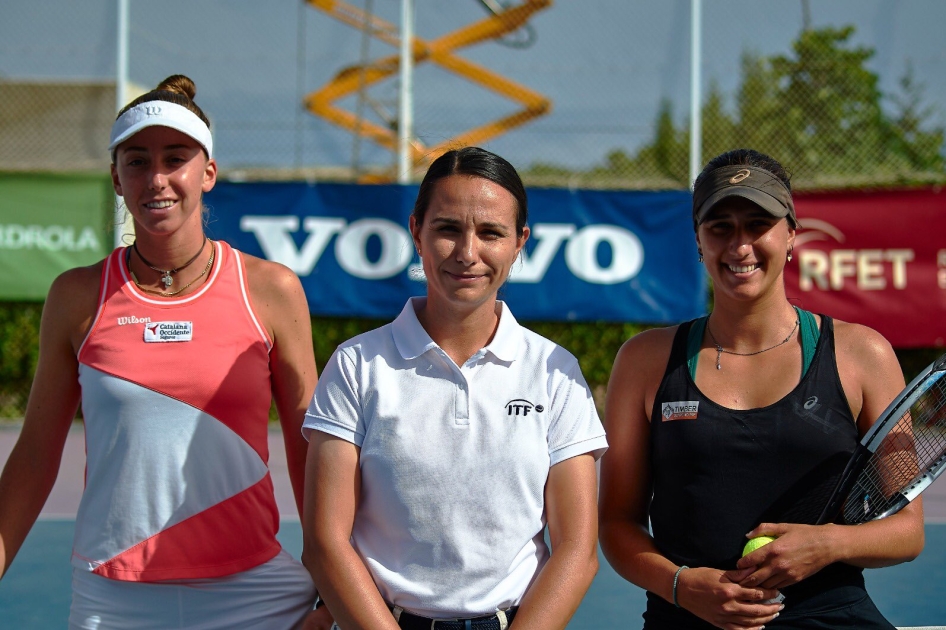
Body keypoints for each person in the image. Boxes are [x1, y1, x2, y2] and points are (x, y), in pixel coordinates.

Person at [0, 75, 326, 629]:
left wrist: (329, 588)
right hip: (111, 599)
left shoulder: (271, 289)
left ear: (208, 173)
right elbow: (34, 457)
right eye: (136, 161)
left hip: (255, 596)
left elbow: (312, 452)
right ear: (116, 179)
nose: (157, 179)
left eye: (175, 158)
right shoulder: (76, 296)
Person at [598, 148, 925, 630]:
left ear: (792, 234)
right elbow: (616, 525)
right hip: (685, 617)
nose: (740, 245)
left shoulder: (863, 354)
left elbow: (907, 531)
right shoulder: (644, 360)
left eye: (758, 224)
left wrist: (827, 544)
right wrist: (681, 586)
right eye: (721, 227)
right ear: (698, 241)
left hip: (829, 615)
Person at [301, 146, 608, 630]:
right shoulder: (356, 365)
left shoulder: (555, 371)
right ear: (416, 232)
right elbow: (324, 543)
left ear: (519, 241)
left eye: (491, 232)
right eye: (447, 229)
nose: (468, 253)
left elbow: (576, 550)